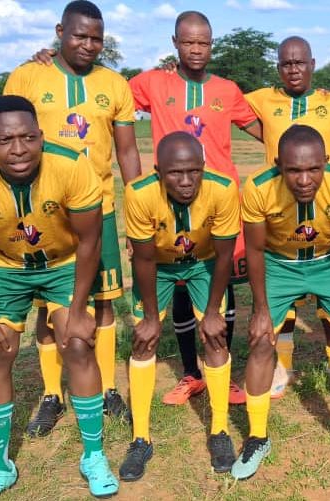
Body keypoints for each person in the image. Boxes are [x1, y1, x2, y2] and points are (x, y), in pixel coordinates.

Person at [0, 96, 118, 500]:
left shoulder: (71, 164)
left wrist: (76, 311)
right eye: (5, 141)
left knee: (77, 343)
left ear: (41, 136)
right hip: (3, 266)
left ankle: (93, 455)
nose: (18, 149)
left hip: (65, 261)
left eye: (27, 137)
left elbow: (90, 240)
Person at [4, 0, 140, 435]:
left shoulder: (115, 84)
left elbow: (127, 151)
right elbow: (8, 143)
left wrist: (137, 206)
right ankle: (51, 393)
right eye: (80, 35)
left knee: (102, 300)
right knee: (48, 305)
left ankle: (105, 389)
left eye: (96, 37)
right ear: (60, 31)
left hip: (97, 209)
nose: (88, 44)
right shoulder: (28, 76)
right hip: (46, 213)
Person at [128, 10, 263, 407]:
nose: (196, 49)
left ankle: (227, 372)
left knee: (223, 287)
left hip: (219, 206)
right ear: (174, 43)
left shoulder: (227, 89)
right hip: (170, 204)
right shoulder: (153, 82)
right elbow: (108, 97)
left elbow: (262, 128)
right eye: (188, 42)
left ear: (212, 44)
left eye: (203, 42)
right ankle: (191, 374)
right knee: (183, 287)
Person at [234, 125, 330, 479]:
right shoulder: (257, 187)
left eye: (313, 169)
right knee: (261, 341)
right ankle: (257, 437)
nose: (304, 179)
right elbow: (253, 249)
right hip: (279, 264)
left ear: (326, 162)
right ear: (279, 164)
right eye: (294, 170)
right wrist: (261, 310)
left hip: (329, 261)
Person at [123, 131, 241, 478]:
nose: (187, 181)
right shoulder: (139, 193)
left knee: (215, 337)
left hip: (204, 263)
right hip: (157, 265)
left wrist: (214, 311)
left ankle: (220, 430)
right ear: (159, 171)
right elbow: (142, 260)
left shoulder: (222, 188)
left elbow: (223, 256)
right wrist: (149, 317)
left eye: (194, 171)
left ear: (204, 167)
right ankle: (141, 438)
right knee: (144, 341)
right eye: (176, 173)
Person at [245, 36, 330, 398]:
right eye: (286, 64)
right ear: (278, 68)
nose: (293, 69)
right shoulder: (260, 99)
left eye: (300, 63)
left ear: (313, 64)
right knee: (283, 298)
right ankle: (282, 366)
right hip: (280, 204)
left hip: (325, 203)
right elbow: (219, 104)